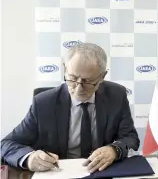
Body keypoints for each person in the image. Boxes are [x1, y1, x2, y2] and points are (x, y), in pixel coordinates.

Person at [1, 43, 140, 173]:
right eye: (72, 78)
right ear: (65, 69)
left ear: (102, 76)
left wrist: (114, 150)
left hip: (102, 172)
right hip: (59, 173)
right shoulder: (43, 103)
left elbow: (130, 137)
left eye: (88, 81)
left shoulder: (117, 96)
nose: (79, 88)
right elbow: (6, 144)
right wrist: (29, 158)